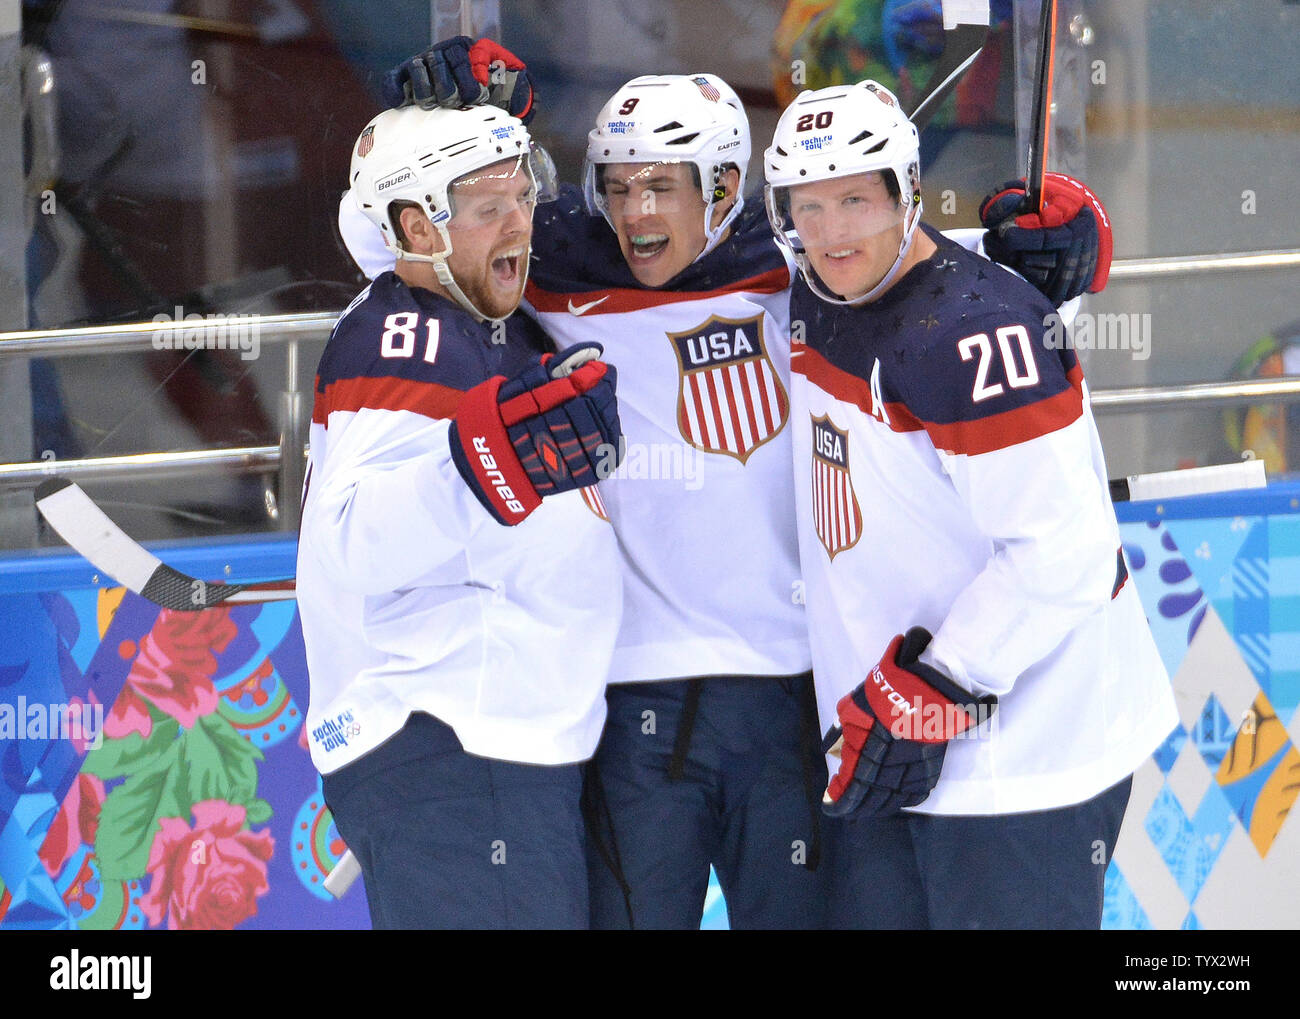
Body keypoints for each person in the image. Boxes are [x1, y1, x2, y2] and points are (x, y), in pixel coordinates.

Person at [347, 38, 1108, 930]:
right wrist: (444, 121)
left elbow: (956, 279)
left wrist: (1062, 250)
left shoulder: (804, 259)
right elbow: (400, 244)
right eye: (618, 184)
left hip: (794, 697)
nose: (635, 211)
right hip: (634, 709)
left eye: (661, 184)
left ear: (718, 187)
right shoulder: (553, 265)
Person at [764, 79, 1178, 928]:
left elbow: (1063, 553)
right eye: (809, 206)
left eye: (854, 198)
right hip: (894, 751)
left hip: (1025, 761)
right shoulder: (812, 283)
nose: (833, 229)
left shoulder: (977, 334)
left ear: (904, 191)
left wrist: (936, 683)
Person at [297, 102, 623, 929]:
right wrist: (485, 463)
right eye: (489, 209)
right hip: (452, 746)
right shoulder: (412, 335)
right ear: (417, 229)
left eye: (522, 196)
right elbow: (354, 542)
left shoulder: (486, 330)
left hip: (488, 756)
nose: (521, 223)